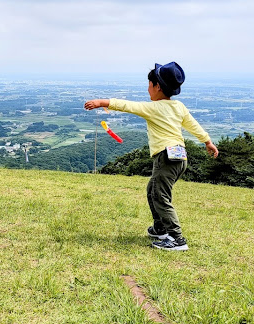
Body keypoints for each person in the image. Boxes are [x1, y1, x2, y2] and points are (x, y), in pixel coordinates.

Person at [84, 62, 218, 251]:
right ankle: (159, 228)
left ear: (157, 87)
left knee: (160, 195)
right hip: (180, 158)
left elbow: (128, 106)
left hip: (166, 158)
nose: (148, 88)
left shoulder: (154, 108)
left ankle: (177, 239)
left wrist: (101, 102)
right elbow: (193, 125)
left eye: (149, 84)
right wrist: (207, 141)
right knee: (153, 190)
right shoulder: (178, 106)